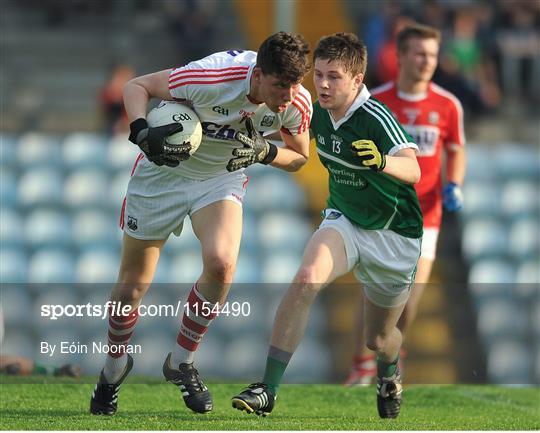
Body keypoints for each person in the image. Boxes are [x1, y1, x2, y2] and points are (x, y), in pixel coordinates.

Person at [90, 32, 312, 416]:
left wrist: (266, 151)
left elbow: (299, 156)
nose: (289, 95)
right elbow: (136, 86)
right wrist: (142, 131)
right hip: (162, 177)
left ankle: (181, 362)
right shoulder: (211, 76)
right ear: (258, 75)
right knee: (132, 286)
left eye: (295, 85)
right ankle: (113, 369)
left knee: (222, 265)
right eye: (280, 85)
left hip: (219, 178)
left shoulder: (296, 102)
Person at [232, 32, 422, 419]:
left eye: (333, 76)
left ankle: (390, 374)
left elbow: (414, 169)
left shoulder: (375, 116)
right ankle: (267, 389)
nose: (322, 84)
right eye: (318, 74)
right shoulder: (314, 109)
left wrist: (383, 162)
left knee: (379, 339)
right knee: (305, 279)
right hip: (345, 222)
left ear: (357, 79)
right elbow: (286, 136)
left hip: (393, 237)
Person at [344, 23, 466, 386]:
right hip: (381, 212)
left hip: (425, 217)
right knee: (370, 294)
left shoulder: (447, 105)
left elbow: (456, 150)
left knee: (410, 299)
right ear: (400, 56)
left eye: (432, 54)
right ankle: (362, 364)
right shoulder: (375, 102)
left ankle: (392, 356)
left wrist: (454, 184)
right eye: (420, 53)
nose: (428, 60)